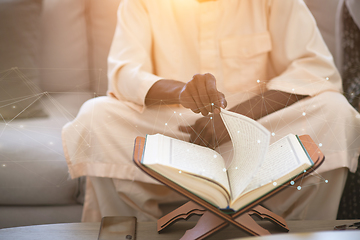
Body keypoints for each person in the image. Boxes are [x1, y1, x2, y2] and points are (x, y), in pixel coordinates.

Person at [62, 0, 360, 222]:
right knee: (97, 116)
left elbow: (314, 69)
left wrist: (236, 120)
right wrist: (181, 92)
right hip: (177, 136)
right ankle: (129, 231)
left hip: (258, 136)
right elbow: (125, 74)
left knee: (335, 112)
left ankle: (308, 232)